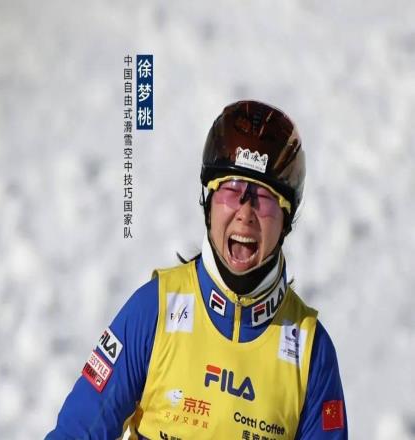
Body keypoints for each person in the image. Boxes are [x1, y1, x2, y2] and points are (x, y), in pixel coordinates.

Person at [46, 100, 348, 439]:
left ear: (286, 219)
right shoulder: (155, 310)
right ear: (208, 202)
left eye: (264, 197)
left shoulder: (311, 351)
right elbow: (77, 431)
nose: (245, 213)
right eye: (232, 190)